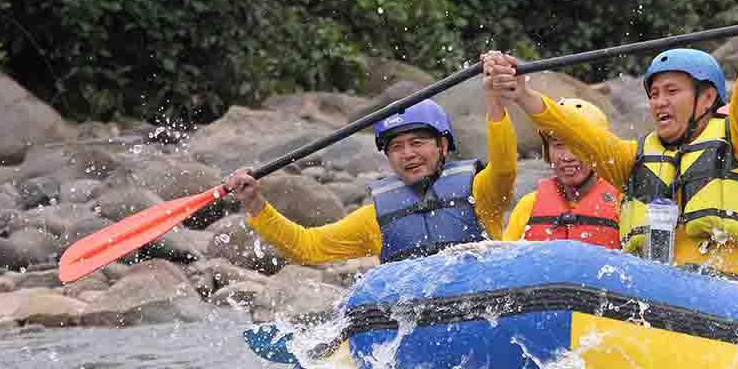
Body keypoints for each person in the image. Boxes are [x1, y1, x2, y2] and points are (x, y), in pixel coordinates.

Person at [486, 12, 738, 281]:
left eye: (672, 91)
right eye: (654, 94)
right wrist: (523, 94)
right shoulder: (633, 159)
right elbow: (578, 134)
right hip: (668, 295)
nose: (660, 102)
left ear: (707, 98)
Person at [222, 75, 518, 264]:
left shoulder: (479, 194)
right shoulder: (375, 219)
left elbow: (504, 168)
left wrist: (494, 99)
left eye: (418, 143)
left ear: (442, 145)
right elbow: (307, 246)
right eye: (397, 148)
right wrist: (254, 203)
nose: (408, 154)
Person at [502, 97, 621, 247]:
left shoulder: (622, 205)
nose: (567, 157)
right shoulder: (529, 206)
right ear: (547, 150)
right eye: (558, 145)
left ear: (599, 149)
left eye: (578, 146)